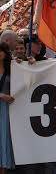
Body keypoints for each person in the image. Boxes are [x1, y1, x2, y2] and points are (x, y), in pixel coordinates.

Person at [0, 42, 15, 174]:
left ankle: (3, 169)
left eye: (1, 51)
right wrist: (1, 95)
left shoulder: (12, 68)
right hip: (3, 104)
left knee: (4, 138)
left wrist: (29, 62)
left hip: (6, 110)